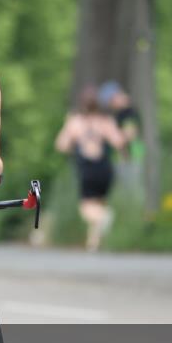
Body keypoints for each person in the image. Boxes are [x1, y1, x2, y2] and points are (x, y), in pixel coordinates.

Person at [55, 86, 127, 252]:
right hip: (104, 168)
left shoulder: (76, 122)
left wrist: (68, 128)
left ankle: (103, 218)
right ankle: (93, 242)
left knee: (86, 208)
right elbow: (119, 142)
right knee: (99, 203)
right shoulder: (106, 121)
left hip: (87, 168)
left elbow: (61, 145)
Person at [98, 80, 143, 193]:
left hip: (131, 158)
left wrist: (110, 134)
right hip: (124, 159)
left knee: (131, 191)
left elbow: (130, 134)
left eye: (111, 101)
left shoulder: (128, 112)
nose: (111, 105)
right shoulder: (120, 114)